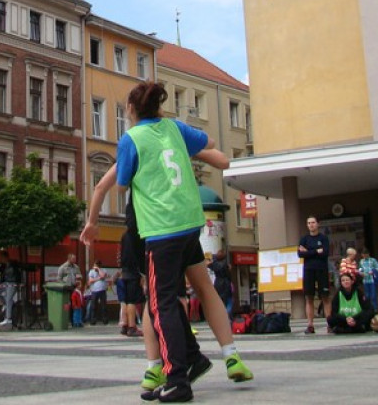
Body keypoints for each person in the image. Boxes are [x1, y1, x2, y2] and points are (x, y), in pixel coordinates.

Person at [81, 81, 243, 403]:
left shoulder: (132, 139)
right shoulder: (174, 128)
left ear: (130, 110)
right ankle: (210, 355)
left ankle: (174, 376)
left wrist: (92, 223)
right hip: (189, 224)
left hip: (160, 229)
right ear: (158, 107)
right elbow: (212, 145)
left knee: (160, 303)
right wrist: (187, 146)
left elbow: (120, 184)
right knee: (186, 293)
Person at [82, 164, 252, 397]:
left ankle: (159, 367)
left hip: (152, 230)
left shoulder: (137, 146)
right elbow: (220, 158)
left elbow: (106, 186)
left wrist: (92, 222)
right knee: (201, 289)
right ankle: (229, 355)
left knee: (157, 299)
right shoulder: (174, 144)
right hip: (182, 223)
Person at [298, 215, 331, 334]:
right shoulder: (304, 239)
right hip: (308, 270)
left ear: (318, 224)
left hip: (321, 269)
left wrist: (308, 252)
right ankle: (310, 325)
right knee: (309, 297)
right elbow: (300, 254)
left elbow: (325, 253)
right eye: (309, 223)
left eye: (313, 222)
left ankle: (330, 324)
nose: (311, 225)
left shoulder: (323, 238)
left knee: (325, 297)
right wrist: (316, 251)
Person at [327, 266, 375, 334]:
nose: (345, 282)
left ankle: (348, 328)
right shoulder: (338, 294)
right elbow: (334, 313)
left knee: (370, 314)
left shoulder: (359, 293)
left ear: (352, 281)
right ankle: (351, 328)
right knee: (330, 319)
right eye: (343, 280)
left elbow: (368, 309)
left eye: (347, 280)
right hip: (344, 320)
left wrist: (354, 318)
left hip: (357, 319)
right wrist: (346, 319)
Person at [209, 252, 234, 319]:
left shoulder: (214, 264)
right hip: (225, 284)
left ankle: (221, 316)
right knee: (229, 300)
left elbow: (210, 264)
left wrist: (213, 257)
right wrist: (229, 270)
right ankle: (227, 315)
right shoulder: (225, 264)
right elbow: (228, 275)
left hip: (217, 283)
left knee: (219, 301)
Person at [87, 260, 110, 324]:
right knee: (94, 306)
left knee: (104, 306)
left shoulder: (104, 270)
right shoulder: (91, 271)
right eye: (95, 265)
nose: (95, 266)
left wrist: (98, 270)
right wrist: (98, 278)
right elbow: (90, 280)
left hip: (102, 290)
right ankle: (93, 320)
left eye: (96, 265)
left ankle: (105, 319)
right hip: (94, 290)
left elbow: (102, 276)